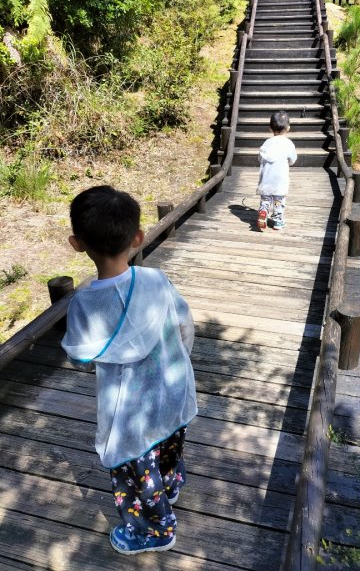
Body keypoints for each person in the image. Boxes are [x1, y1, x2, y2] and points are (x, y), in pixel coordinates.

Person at [61, 185, 197, 556]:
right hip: (171, 390)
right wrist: (181, 358)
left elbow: (80, 357)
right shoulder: (156, 280)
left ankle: (156, 529)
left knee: (136, 469)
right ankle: (170, 484)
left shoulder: (85, 304)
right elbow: (184, 324)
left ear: (77, 244)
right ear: (138, 237)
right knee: (168, 444)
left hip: (129, 412)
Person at [256, 110, 297, 230]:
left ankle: (263, 212)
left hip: (266, 178)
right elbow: (293, 159)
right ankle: (278, 222)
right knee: (278, 200)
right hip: (280, 178)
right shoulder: (288, 143)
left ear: (270, 128)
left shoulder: (267, 143)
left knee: (265, 198)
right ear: (288, 127)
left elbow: (260, 157)